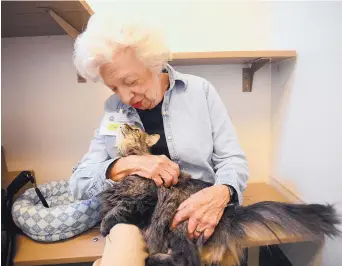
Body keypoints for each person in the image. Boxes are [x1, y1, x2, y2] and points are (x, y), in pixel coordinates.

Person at [70, 13, 249, 266]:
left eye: (130, 82)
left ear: (153, 63)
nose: (124, 97)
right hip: (135, 215)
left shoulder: (200, 92)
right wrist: (130, 164)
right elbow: (79, 183)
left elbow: (232, 159)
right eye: (114, 88)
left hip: (195, 207)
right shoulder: (113, 110)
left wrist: (221, 193)